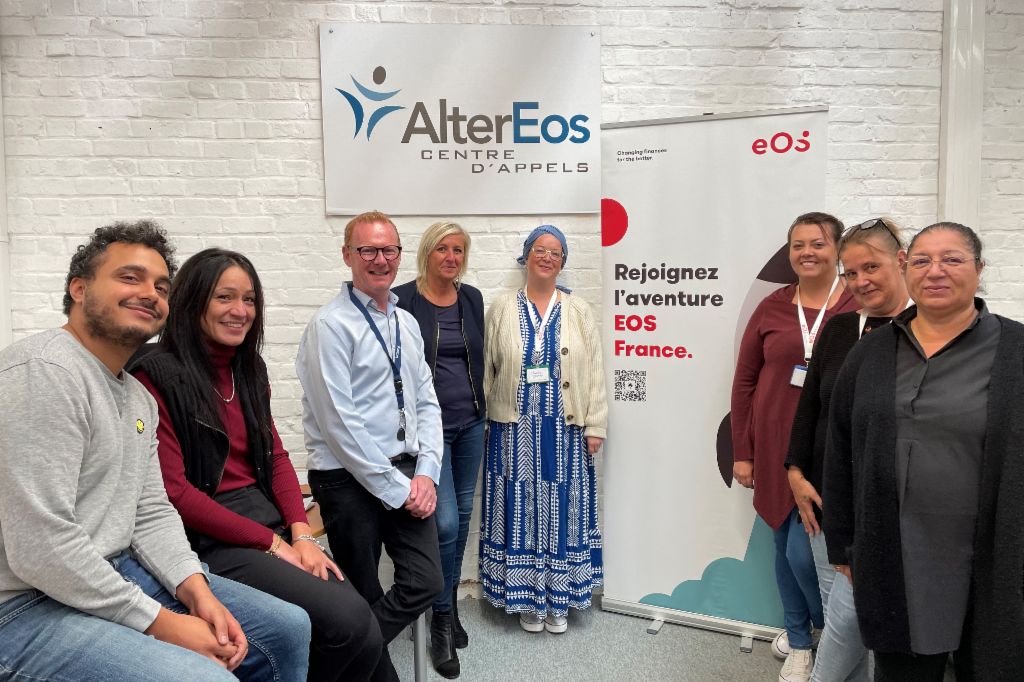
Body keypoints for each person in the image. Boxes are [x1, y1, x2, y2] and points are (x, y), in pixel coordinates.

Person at [0, 222, 310, 681]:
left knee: (288, 628)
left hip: (117, 570)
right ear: (79, 289)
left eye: (161, 286)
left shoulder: (136, 396)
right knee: (205, 676)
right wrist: (161, 622)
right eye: (130, 277)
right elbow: (42, 549)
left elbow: (150, 511)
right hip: (25, 604)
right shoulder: (44, 372)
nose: (150, 293)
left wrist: (196, 591)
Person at [132, 248, 383, 682]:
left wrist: (301, 533)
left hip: (265, 521)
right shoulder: (156, 374)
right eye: (224, 298)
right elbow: (175, 493)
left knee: (361, 626)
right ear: (194, 302)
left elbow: (276, 456)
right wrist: (272, 542)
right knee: (350, 623)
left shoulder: (247, 368)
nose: (240, 311)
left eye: (249, 300)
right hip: (209, 536)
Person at [824, 222, 1024, 681]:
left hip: (989, 551)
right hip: (896, 550)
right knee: (902, 671)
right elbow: (840, 450)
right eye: (921, 261)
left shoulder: (1015, 350)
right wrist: (843, 544)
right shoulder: (870, 353)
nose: (935, 271)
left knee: (993, 661)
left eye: (952, 259)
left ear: (979, 269)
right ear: (906, 269)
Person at [296, 211, 444, 682]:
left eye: (389, 250)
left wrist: (426, 473)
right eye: (368, 250)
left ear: (400, 256)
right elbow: (340, 425)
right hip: (344, 476)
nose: (380, 260)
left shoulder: (406, 322)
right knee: (361, 592)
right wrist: (398, 490)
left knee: (426, 582)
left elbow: (427, 401)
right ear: (347, 256)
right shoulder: (331, 326)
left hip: (404, 471)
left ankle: (334, 659)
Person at [730, 212, 857, 682]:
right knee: (784, 547)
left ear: (837, 249)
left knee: (809, 554)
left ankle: (826, 630)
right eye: (798, 244)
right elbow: (744, 379)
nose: (807, 252)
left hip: (826, 450)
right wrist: (742, 450)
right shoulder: (772, 306)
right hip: (770, 442)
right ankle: (800, 640)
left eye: (818, 244)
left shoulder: (856, 307)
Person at [785, 218, 911, 682]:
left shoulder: (923, 331)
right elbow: (811, 406)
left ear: (901, 262)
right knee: (834, 602)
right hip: (824, 492)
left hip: (885, 501)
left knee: (852, 614)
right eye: (852, 272)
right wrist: (795, 471)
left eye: (871, 268)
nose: (861, 281)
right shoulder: (839, 330)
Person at [479, 224, 607, 635]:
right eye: (540, 249)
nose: (547, 256)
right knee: (516, 510)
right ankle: (526, 600)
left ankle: (560, 598)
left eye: (556, 251)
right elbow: (487, 369)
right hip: (512, 430)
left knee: (562, 508)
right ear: (526, 256)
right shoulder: (501, 307)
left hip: (565, 430)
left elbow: (595, 373)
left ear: (563, 261)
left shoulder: (579, 310)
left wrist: (596, 423)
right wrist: (483, 417)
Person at [393, 222, 485, 679]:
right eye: (443, 249)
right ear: (427, 254)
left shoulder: (471, 299)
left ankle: (446, 606)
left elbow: (479, 359)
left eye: (459, 250)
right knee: (444, 522)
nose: (451, 257)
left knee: (463, 514)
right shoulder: (404, 300)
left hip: (471, 424)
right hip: (431, 433)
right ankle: (440, 620)